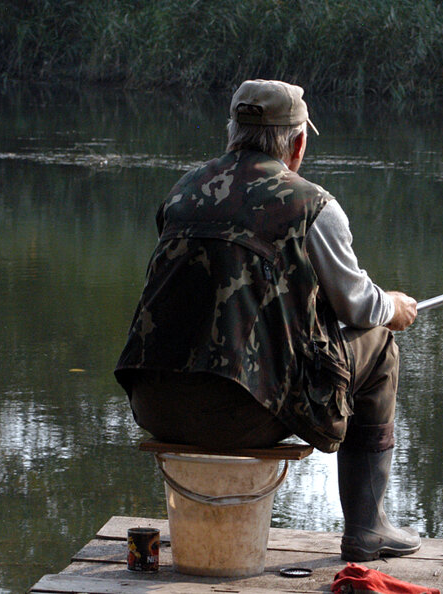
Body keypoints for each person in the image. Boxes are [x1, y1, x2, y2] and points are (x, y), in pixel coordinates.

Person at [115, 79, 420, 562]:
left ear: (231, 133)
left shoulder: (182, 193)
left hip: (154, 404)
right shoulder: (313, 205)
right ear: (297, 143)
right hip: (245, 414)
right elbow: (359, 309)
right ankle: (368, 529)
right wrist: (396, 306)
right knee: (379, 344)